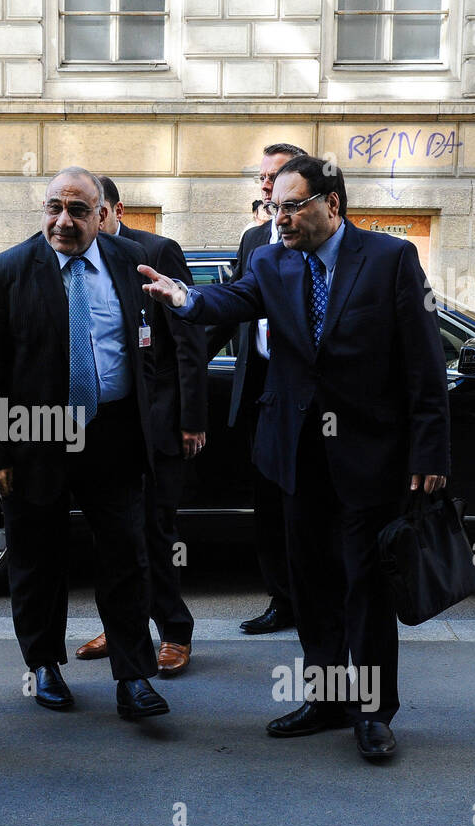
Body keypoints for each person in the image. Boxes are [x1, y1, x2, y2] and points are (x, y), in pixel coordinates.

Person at [140, 155, 450, 760]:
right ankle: (328, 698)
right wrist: (183, 299)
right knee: (312, 586)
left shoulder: (390, 260)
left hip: (370, 456)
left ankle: (372, 711)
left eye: (291, 206)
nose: (278, 219)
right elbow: (228, 302)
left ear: (331, 204)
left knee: (366, 586)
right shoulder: (270, 261)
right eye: (272, 208)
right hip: (295, 455)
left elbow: (424, 363)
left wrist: (430, 449)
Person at [0, 167, 168, 720]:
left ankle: (133, 676)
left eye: (78, 210)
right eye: (55, 207)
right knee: (37, 558)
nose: (64, 221)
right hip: (35, 436)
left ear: (102, 215)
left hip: (114, 432)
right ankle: (45, 664)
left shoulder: (129, 265)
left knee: (127, 555)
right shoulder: (5, 272)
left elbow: (154, 347)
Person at [73, 176, 206, 675]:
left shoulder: (155, 251)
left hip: (160, 420)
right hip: (109, 424)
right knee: (116, 533)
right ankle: (125, 626)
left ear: (113, 209)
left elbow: (187, 338)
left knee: (155, 528)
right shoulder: (75, 258)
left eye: (94, 211)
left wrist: (192, 418)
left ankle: (174, 631)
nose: (86, 222)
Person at [208, 143, 307, 636]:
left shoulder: (314, 239)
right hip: (260, 384)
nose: (265, 185)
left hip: (305, 387)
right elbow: (235, 306)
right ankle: (281, 598)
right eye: (262, 178)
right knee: (267, 500)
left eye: (276, 176)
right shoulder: (252, 240)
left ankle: (316, 593)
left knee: (307, 497)